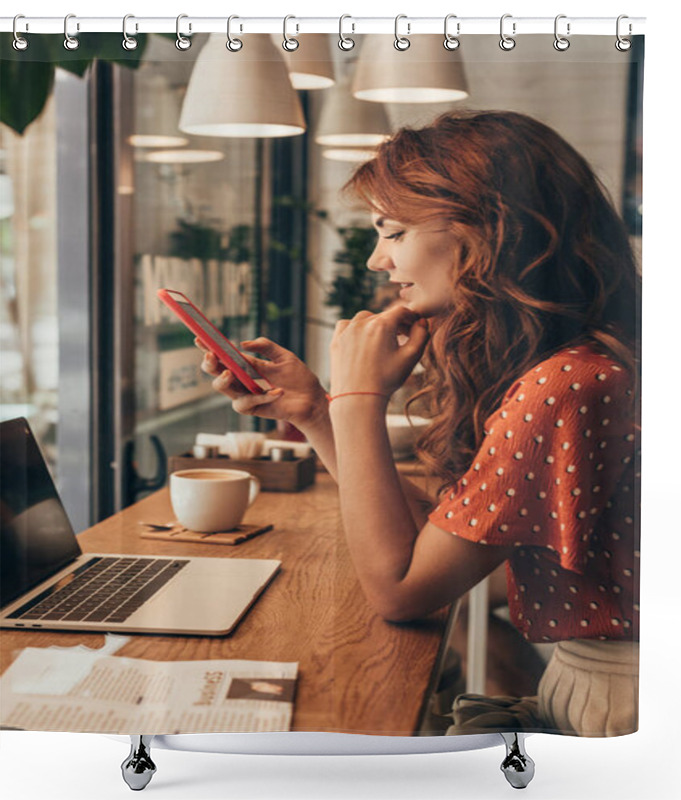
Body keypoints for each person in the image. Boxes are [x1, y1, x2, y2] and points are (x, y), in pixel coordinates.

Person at [198, 110, 641, 737]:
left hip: (618, 703)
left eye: (395, 231)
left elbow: (403, 589)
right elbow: (435, 544)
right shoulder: (582, 364)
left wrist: (357, 398)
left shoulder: (565, 384)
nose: (379, 260)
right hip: (601, 685)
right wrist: (320, 413)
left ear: (491, 232)